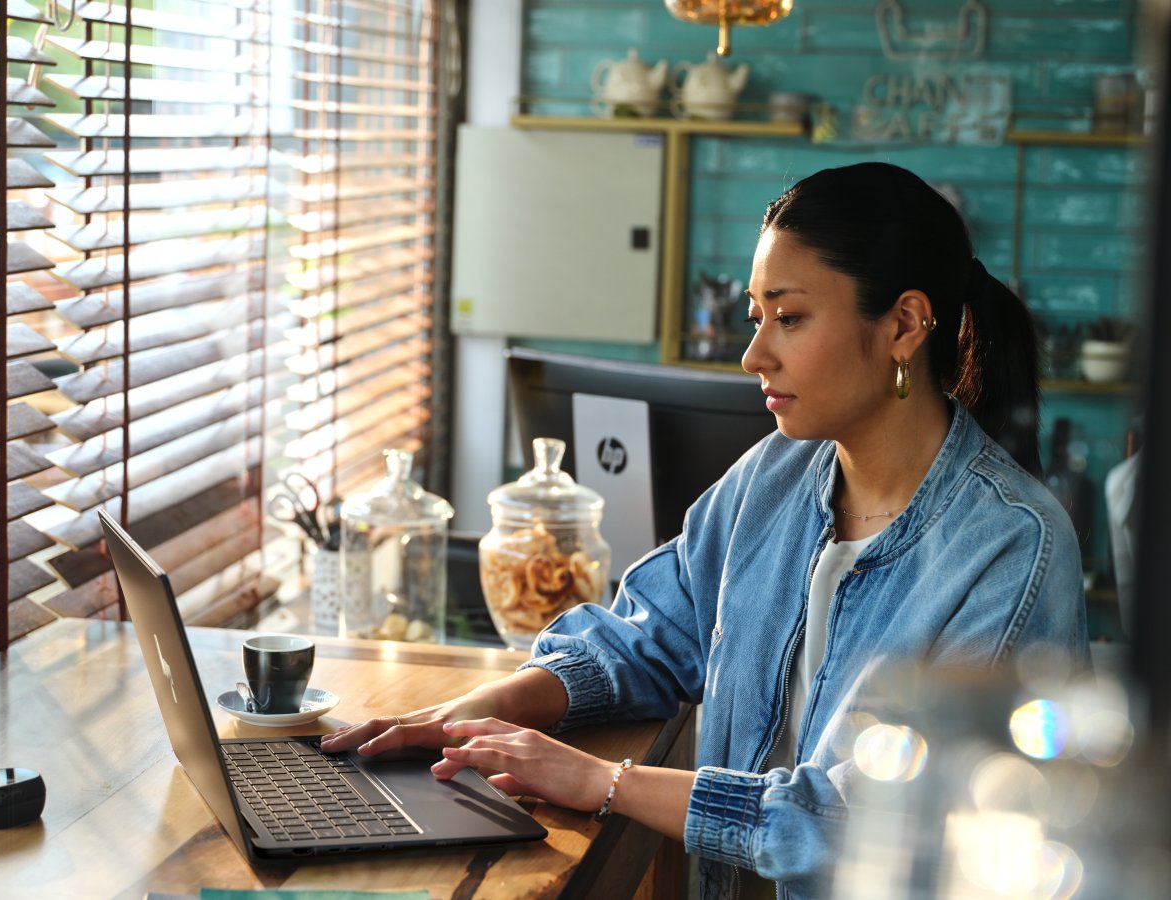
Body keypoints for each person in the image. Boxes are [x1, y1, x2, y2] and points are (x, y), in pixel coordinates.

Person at [321, 162, 1090, 899]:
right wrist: (486, 711)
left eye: (789, 318)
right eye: (757, 318)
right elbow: (649, 635)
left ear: (904, 324)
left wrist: (603, 782)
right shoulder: (773, 478)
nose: (755, 354)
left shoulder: (1013, 546)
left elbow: (872, 820)